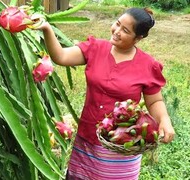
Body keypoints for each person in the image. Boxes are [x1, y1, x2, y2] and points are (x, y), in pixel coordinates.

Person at [35, 7, 175, 179]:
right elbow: (61, 56)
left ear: (138, 38)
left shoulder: (147, 65)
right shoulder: (95, 48)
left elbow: (154, 102)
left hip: (121, 145)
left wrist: (164, 121)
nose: (116, 31)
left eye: (125, 30)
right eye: (117, 24)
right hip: (86, 139)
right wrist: (47, 28)